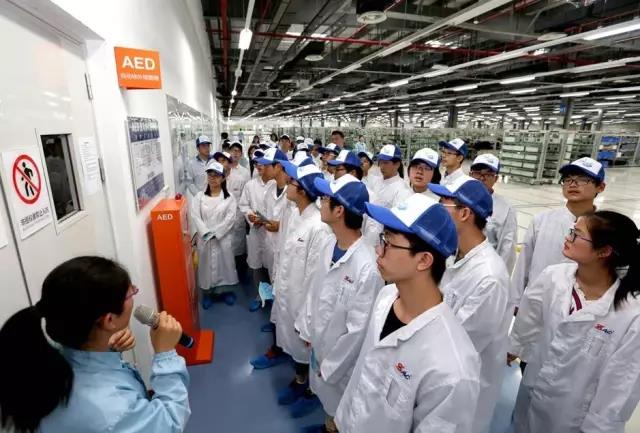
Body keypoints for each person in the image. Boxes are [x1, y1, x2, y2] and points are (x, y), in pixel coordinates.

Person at [335, 194, 480, 433]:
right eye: (382, 238)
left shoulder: (452, 369)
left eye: (389, 243)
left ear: (423, 260)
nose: (378, 250)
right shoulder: (386, 297)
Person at [0, 256, 190, 433]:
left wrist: (107, 352)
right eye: (130, 292)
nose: (134, 292)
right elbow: (170, 423)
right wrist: (165, 354)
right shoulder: (113, 411)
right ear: (109, 320)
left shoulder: (43, 364)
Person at [508, 211, 640, 433]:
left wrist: (599, 427)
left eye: (576, 234)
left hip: (573, 415)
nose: (567, 237)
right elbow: (530, 317)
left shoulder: (631, 313)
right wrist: (515, 347)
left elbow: (622, 382)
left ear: (604, 251)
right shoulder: (554, 277)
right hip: (533, 390)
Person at [296, 174, 385, 433]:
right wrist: (308, 329)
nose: (320, 202)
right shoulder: (329, 243)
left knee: (342, 409)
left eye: (326, 199)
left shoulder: (367, 267)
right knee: (327, 402)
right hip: (321, 345)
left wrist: (331, 365)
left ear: (339, 211)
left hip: (342, 363)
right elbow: (315, 291)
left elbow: (358, 332)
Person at [429, 176, 511, 433]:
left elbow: (461, 345)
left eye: (444, 204)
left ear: (464, 213)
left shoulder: (489, 277)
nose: (437, 209)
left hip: (463, 386)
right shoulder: (453, 254)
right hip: (437, 377)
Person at [251, 162, 330, 419]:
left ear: (303, 191)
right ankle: (299, 380)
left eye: (293, 182)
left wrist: (306, 316)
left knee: (305, 349)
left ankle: (309, 391)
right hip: (288, 294)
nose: (288, 184)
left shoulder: (318, 227)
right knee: (294, 346)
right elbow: (286, 253)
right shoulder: (295, 213)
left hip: (302, 302)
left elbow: (314, 279)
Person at [512, 157, 606, 309]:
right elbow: (524, 264)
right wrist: (515, 301)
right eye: (568, 179)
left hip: (581, 309)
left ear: (600, 187)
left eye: (582, 179)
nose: (573, 184)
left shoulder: (605, 228)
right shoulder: (541, 221)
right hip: (537, 303)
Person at [191, 160, 239, 309]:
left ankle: (227, 292)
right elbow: (195, 216)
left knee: (226, 265)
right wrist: (206, 232)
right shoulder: (199, 197)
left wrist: (217, 232)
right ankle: (208, 294)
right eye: (210, 175)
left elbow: (230, 218)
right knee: (206, 267)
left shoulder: (229, 197)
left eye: (216, 175)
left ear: (223, 178)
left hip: (222, 238)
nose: (212, 178)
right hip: (205, 239)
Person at [238, 153, 275, 312]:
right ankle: (260, 296)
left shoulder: (276, 185)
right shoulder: (250, 185)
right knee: (257, 265)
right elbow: (243, 205)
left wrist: (268, 221)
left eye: (262, 163)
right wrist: (251, 216)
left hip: (272, 233)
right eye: (256, 163)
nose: (259, 166)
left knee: (273, 266)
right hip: (256, 231)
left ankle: (273, 297)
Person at [470, 154, 518, 274]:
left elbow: (507, 250)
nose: (482, 178)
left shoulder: (505, 209)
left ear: (496, 178)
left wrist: (500, 278)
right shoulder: (459, 201)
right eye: (478, 173)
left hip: (485, 273)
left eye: (488, 174)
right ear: (471, 175)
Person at [329, 150, 381, 248]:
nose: (334, 174)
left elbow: (373, 234)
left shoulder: (370, 197)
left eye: (338, 170)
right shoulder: (335, 192)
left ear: (352, 173)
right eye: (334, 169)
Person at [226, 142, 251, 277]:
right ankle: (226, 270)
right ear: (229, 152)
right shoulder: (224, 169)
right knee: (225, 242)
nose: (235, 153)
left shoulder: (245, 172)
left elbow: (247, 194)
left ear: (241, 154)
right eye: (233, 150)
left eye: (238, 151)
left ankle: (239, 269)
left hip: (238, 212)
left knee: (239, 241)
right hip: (224, 211)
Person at [376, 144, 411, 209]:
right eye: (380, 162)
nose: (382, 166)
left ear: (397, 164)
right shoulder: (377, 181)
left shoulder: (402, 189)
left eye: (386, 163)